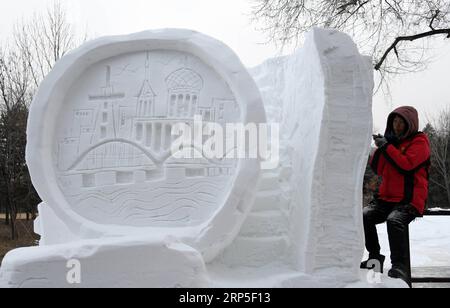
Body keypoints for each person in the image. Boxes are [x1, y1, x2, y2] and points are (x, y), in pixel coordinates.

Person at [360, 106, 431, 283]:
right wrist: (381, 148)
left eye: (401, 123)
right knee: (364, 216)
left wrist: (388, 147)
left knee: (395, 220)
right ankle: (374, 258)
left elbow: (407, 165)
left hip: (409, 199)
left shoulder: (420, 142)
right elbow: (378, 168)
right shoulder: (393, 144)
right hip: (387, 198)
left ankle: (399, 267)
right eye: (395, 122)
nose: (397, 126)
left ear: (410, 124)